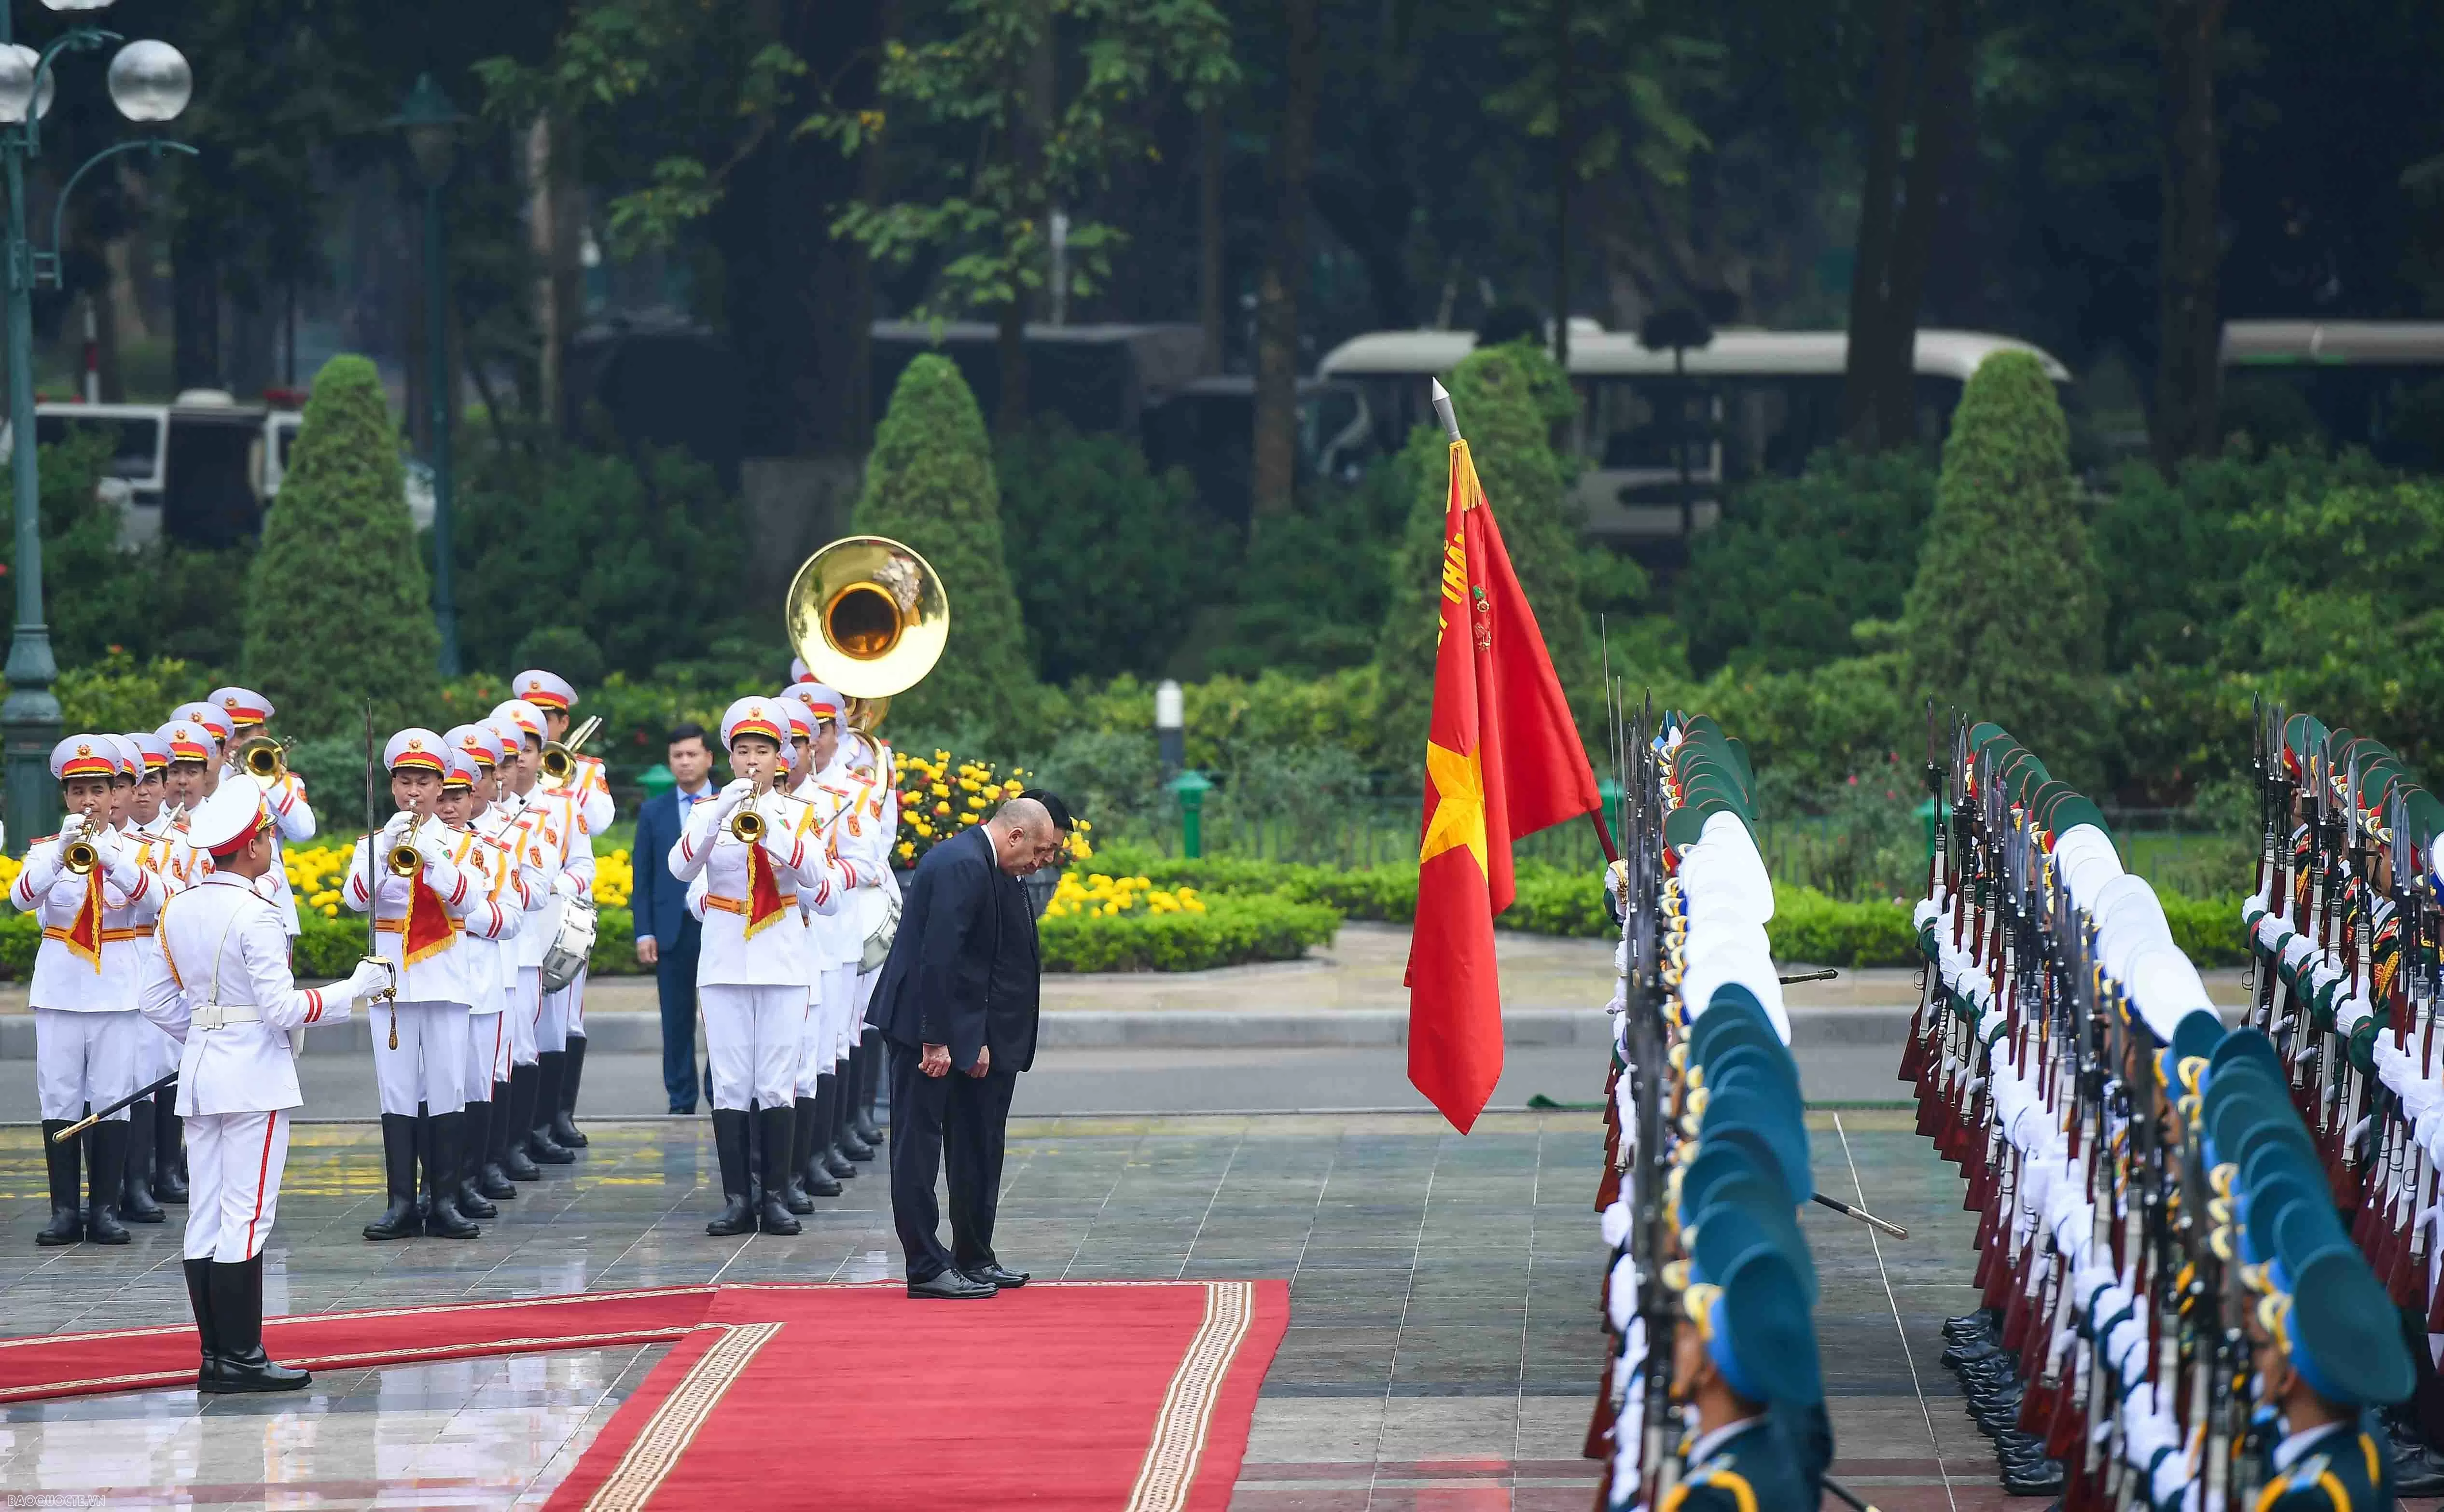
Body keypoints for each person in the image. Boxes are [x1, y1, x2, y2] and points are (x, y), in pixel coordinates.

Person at [137, 779, 393, 1392]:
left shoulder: (178, 906)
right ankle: (244, 1357)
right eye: (268, 837)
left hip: (202, 1071)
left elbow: (153, 1001)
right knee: (247, 1215)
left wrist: (205, 1030)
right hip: (252, 1075)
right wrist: (355, 987)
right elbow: (281, 1009)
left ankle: (215, 1357)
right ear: (252, 846)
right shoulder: (257, 912)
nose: (271, 846)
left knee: (206, 1213)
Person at [666, 697, 858, 1237]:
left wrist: (771, 822)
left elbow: (821, 885)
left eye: (763, 751)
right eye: (743, 751)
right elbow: (682, 869)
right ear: (728, 756)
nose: (752, 761)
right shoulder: (710, 812)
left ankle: (775, 1195)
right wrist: (720, 811)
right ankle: (736, 1198)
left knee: (775, 1083)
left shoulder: (801, 814)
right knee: (731, 1083)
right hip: (725, 959)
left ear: (783, 758)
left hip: (782, 959)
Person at [869, 794, 1064, 1299]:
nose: (1039, 863)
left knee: (952, 1141)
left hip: (941, 1024)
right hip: (920, 1026)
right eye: (1039, 850)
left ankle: (970, 1257)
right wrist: (938, 1040)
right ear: (1015, 835)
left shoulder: (975, 859)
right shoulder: (962, 864)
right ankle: (926, 1266)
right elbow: (940, 958)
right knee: (918, 1145)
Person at [342, 729, 511, 1241]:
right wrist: (388, 845)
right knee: (397, 1092)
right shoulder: (374, 843)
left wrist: (431, 855)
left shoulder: (465, 845)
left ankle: (444, 1199)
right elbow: (355, 898)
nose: (414, 792)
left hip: (446, 977)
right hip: (392, 980)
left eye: (424, 782)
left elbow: (469, 901)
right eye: (404, 781)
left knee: (446, 1090)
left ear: (443, 787)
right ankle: (400, 1202)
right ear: (393, 787)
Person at [12, 735, 162, 1247]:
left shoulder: (134, 850)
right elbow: (19, 899)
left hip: (117, 991)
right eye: (78, 791)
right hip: (59, 988)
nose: (89, 801)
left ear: (115, 794)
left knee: (112, 1098)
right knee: (58, 1096)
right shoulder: (44, 850)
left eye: (98, 789)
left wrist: (107, 858)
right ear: (66, 797)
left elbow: (156, 901)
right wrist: (61, 855)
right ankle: (63, 1211)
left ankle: (103, 1209)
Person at [512, 668, 612, 1150]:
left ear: (562, 720)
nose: (539, 725)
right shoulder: (497, 775)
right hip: (513, 918)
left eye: (546, 718)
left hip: (561, 915)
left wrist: (569, 777)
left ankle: (556, 1118)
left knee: (563, 1020)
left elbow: (598, 825)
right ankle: (522, 1128)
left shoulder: (584, 773)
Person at [634, 722, 716, 1114]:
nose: (685, 762)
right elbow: (644, 876)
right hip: (672, 930)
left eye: (692, 754)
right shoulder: (654, 811)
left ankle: (722, 1095)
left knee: (722, 1017)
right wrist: (644, 931)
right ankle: (681, 1100)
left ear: (709, 758)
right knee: (677, 1020)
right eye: (677, 756)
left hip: (720, 925)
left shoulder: (730, 804)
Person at [207, 687, 315, 941]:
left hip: (271, 905)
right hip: (216, 903)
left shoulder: (285, 783)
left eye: (243, 734)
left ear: (264, 735)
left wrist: (269, 778)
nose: (234, 744)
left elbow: (304, 832)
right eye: (228, 735)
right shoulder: (207, 780)